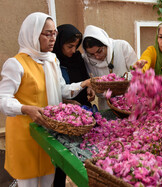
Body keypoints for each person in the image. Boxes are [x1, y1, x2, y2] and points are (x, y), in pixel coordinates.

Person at [0, 12, 94, 187]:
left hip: (48, 134)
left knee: (47, 180)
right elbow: (3, 98)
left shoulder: (52, 60)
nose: (52, 38)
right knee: (27, 182)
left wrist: (85, 83)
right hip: (25, 135)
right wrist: (25, 108)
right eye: (47, 34)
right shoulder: (16, 64)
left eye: (54, 34)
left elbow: (62, 90)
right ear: (33, 34)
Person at [52, 24, 93, 187]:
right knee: (63, 154)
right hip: (63, 114)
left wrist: (89, 88)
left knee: (84, 150)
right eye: (70, 46)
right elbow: (56, 90)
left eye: (76, 46)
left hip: (81, 111)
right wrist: (66, 103)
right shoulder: (52, 62)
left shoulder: (77, 58)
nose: (73, 50)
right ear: (59, 43)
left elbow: (84, 80)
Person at [82, 25, 138, 110]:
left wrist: (123, 82)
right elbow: (93, 82)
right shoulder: (88, 59)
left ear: (105, 44)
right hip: (106, 104)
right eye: (92, 54)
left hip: (128, 102)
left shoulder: (122, 46)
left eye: (99, 51)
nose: (97, 57)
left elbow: (137, 72)